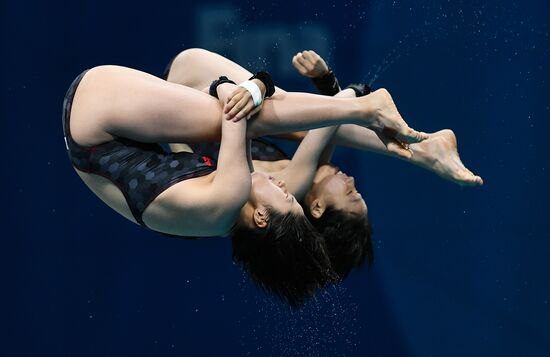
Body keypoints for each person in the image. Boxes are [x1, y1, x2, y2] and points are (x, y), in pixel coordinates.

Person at [62, 63, 426, 306]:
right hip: (88, 131)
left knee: (258, 112)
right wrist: (250, 88)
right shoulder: (222, 219)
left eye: (285, 197)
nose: (283, 185)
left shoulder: (231, 197)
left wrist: (256, 84)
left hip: (98, 112)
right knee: (253, 108)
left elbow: (235, 111)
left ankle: (367, 110)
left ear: (263, 218)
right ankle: (396, 133)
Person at [163, 48, 483, 278]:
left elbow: (336, 110)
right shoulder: (295, 185)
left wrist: (347, 96)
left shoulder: (293, 185)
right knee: (297, 123)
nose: (352, 183)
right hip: (187, 91)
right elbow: (326, 125)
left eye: (351, 195)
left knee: (282, 113)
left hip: (188, 83)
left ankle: (424, 151)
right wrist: (326, 81)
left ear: (316, 209)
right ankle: (423, 149)